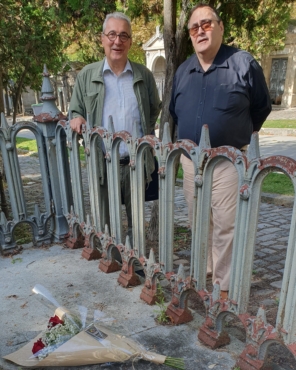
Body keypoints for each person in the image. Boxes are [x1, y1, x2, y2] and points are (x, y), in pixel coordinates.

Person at [169, 3, 271, 298]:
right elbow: (176, 112)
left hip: (228, 160)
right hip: (191, 162)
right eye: (194, 27)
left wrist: (237, 134)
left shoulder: (243, 63)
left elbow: (261, 107)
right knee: (198, 221)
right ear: (189, 35)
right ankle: (206, 273)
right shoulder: (183, 71)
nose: (200, 30)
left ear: (220, 27)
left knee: (226, 223)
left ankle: (223, 289)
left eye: (206, 24)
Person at [69, 12, 161, 240]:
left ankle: (137, 264)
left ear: (130, 41)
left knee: (137, 222)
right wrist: (77, 117)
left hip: (135, 162)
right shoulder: (87, 75)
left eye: (123, 35)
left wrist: (143, 142)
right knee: (106, 221)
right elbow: (75, 108)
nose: (117, 41)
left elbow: (153, 109)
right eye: (112, 34)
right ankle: (110, 261)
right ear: (102, 39)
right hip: (102, 163)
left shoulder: (144, 75)